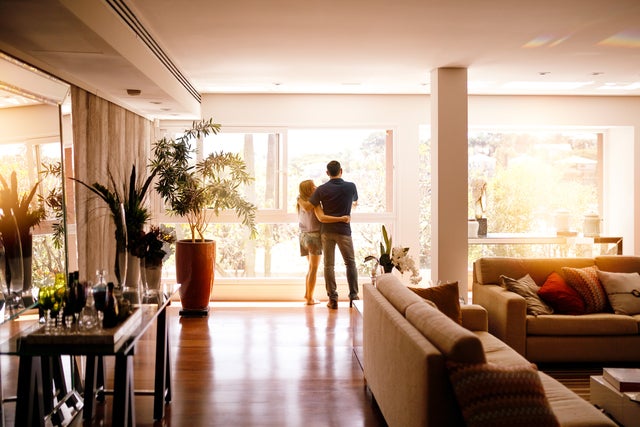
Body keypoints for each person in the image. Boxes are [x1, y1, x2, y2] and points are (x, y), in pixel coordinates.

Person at [309, 161, 359, 309]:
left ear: (327, 173)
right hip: (344, 231)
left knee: (328, 265)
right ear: (341, 171)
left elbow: (312, 206)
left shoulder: (321, 189)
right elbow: (355, 202)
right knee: (350, 263)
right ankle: (354, 297)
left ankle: (333, 299)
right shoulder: (351, 186)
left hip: (327, 231)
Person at [297, 180, 350, 305]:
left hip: (303, 236)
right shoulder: (313, 203)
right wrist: (342, 218)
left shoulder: (300, 201)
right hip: (313, 237)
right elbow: (323, 218)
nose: (316, 187)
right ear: (308, 190)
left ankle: (307, 295)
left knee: (310, 268)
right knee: (314, 269)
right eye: (313, 186)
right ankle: (310, 299)